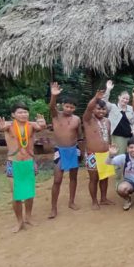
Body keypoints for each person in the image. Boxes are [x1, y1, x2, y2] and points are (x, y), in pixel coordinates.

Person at [0, 104, 46, 232]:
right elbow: (2, 127)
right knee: (16, 195)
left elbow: (40, 126)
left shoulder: (32, 126)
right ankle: (19, 221)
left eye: (25, 112)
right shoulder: (8, 126)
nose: (23, 114)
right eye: (20, 112)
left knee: (29, 192)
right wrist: (1, 127)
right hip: (14, 163)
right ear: (13, 115)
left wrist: (43, 124)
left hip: (28, 162)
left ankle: (28, 217)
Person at [48, 82, 82, 219]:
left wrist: (82, 151)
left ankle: (71, 202)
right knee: (57, 179)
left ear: (74, 108)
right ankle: (53, 208)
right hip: (60, 151)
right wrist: (53, 95)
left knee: (73, 177)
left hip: (74, 150)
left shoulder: (77, 119)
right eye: (67, 106)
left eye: (72, 107)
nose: (69, 109)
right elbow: (51, 106)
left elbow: (79, 136)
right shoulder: (56, 115)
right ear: (63, 106)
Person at [83, 90, 115, 210]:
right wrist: (95, 98)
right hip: (93, 154)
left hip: (106, 153)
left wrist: (111, 149)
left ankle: (103, 198)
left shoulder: (107, 121)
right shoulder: (88, 119)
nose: (101, 111)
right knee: (94, 178)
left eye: (103, 109)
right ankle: (94, 201)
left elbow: (109, 136)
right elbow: (89, 107)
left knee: (105, 177)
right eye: (98, 109)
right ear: (93, 109)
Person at [102, 80, 134, 159]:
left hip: (130, 137)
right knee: (119, 157)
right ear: (119, 97)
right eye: (123, 98)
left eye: (127, 99)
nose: (125, 100)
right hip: (118, 137)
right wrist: (108, 89)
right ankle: (119, 171)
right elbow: (103, 102)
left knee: (130, 157)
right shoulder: (113, 107)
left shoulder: (131, 109)